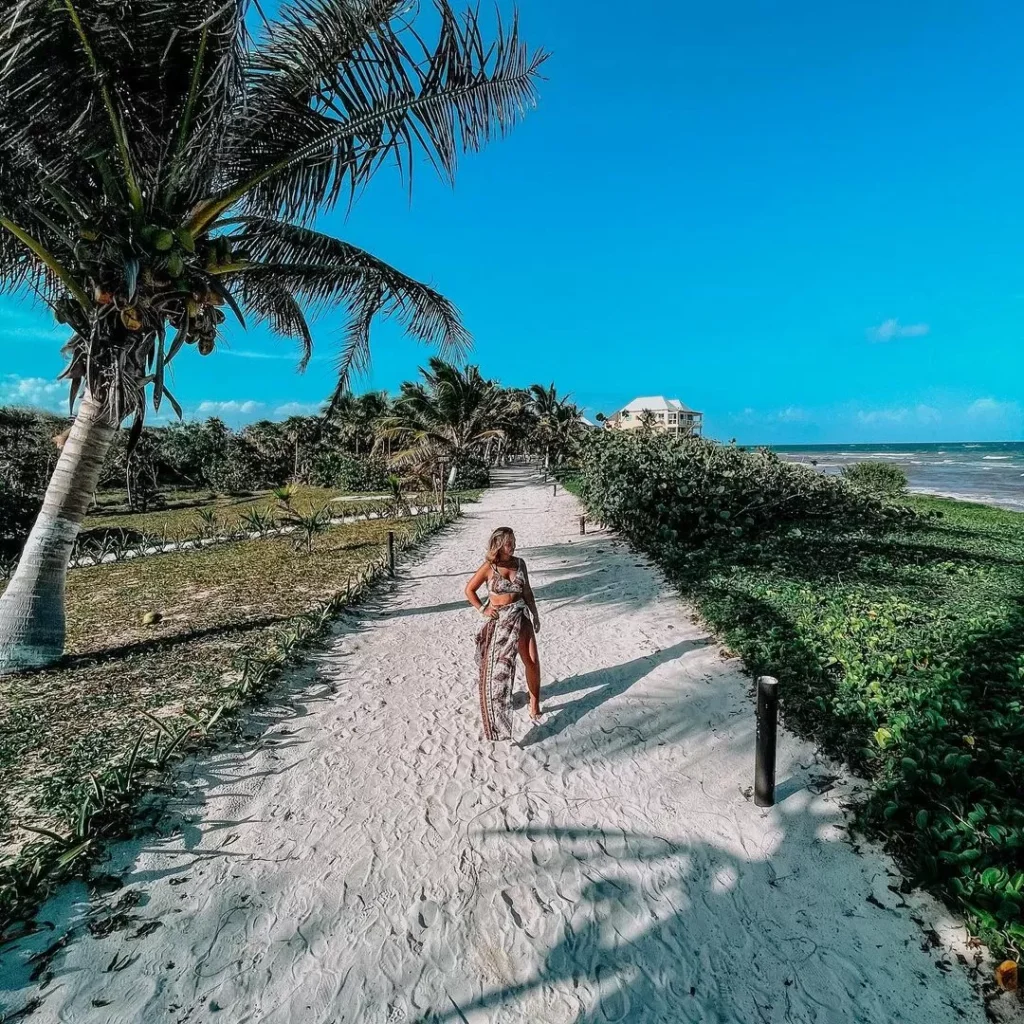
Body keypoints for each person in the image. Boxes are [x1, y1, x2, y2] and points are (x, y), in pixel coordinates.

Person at [464, 527, 541, 740]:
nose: (513, 546)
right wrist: (483, 609)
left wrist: (535, 614)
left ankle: (534, 704)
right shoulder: (489, 567)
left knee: (532, 662)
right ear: (499, 545)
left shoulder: (520, 563)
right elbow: (469, 590)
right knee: (499, 670)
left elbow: (527, 592)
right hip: (499, 623)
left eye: (514, 542)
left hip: (520, 616)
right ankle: (497, 710)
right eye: (509, 543)